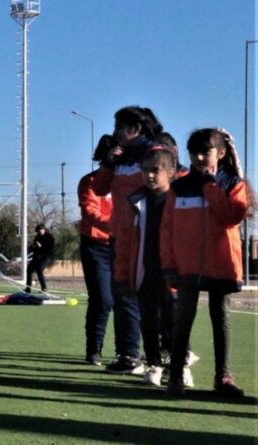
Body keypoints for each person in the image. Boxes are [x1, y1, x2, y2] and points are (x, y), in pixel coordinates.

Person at [162, 128, 254, 398]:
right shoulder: (179, 187)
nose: (199, 157)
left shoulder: (233, 183)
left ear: (221, 153)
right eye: (194, 152)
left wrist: (210, 186)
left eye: (206, 152)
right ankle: (175, 377)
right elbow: (166, 230)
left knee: (221, 319)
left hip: (222, 264)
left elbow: (231, 216)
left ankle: (223, 377)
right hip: (186, 266)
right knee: (183, 319)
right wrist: (169, 265)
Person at [93, 105, 164, 375]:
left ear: (135, 128)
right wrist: (109, 162)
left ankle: (169, 354)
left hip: (147, 235)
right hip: (120, 235)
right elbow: (99, 188)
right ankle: (129, 355)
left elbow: (172, 181)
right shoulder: (120, 157)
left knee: (153, 297)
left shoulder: (154, 152)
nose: (115, 133)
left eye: (119, 127)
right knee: (123, 293)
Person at [117, 148, 177, 385]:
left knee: (172, 320)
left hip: (173, 272)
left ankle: (178, 364)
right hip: (145, 271)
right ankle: (154, 364)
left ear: (170, 172)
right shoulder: (136, 201)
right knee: (148, 320)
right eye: (144, 170)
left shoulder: (180, 200)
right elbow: (124, 240)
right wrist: (123, 274)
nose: (149, 175)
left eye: (155, 170)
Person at [78, 135, 115, 366]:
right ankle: (94, 349)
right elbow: (90, 212)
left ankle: (127, 351)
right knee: (102, 299)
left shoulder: (131, 182)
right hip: (96, 247)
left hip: (124, 246)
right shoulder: (90, 182)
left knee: (128, 301)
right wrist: (115, 226)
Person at [24, 224, 54, 293]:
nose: (39, 232)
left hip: (46, 257)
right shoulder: (37, 237)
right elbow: (34, 248)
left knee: (39, 270)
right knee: (29, 270)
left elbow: (50, 249)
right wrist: (32, 247)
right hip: (37, 256)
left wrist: (41, 246)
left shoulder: (49, 237)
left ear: (44, 229)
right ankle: (28, 288)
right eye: (38, 231)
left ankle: (44, 288)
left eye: (41, 230)